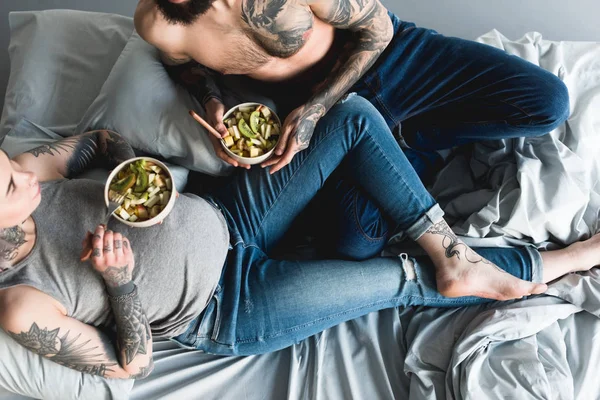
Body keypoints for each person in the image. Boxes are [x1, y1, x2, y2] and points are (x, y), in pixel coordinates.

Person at [0, 96, 597, 380]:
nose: (25, 173)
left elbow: (102, 141)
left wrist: (130, 174)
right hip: (229, 306)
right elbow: (131, 365)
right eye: (8, 186)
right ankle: (568, 259)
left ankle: (451, 250)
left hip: (228, 216)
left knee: (353, 117)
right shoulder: (22, 304)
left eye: (9, 164)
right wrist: (120, 284)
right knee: (401, 280)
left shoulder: (30, 176)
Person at [134, 0, 570, 180]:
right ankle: (399, 142)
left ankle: (411, 138)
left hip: (389, 57)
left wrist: (315, 109)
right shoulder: (159, 22)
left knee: (547, 104)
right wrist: (213, 102)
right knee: (355, 241)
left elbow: (375, 28)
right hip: (313, 111)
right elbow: (186, 69)